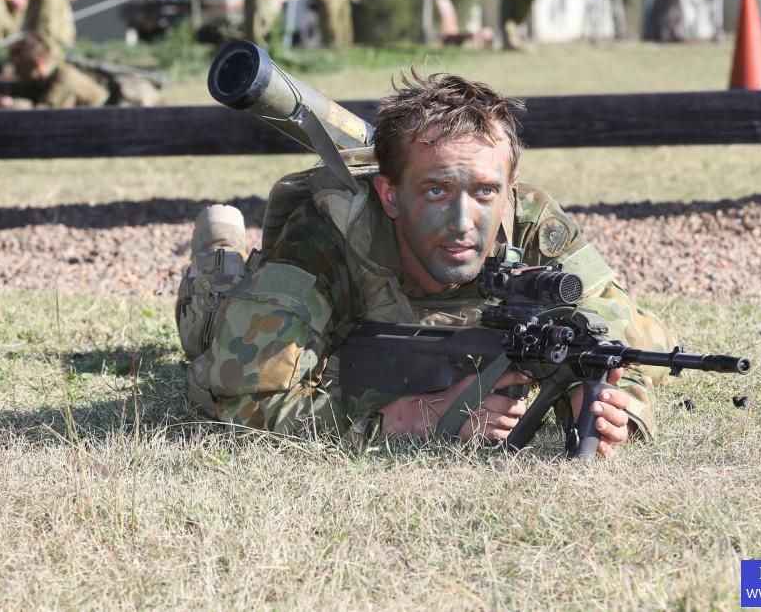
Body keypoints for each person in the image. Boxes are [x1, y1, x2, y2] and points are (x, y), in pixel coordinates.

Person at [177, 71, 674, 457]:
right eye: (436, 191)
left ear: (510, 188)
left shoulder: (530, 221)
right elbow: (246, 403)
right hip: (307, 308)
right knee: (212, 320)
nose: (462, 223)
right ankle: (220, 248)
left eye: (485, 192)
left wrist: (599, 396)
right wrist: (415, 417)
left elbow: (619, 320)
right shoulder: (324, 239)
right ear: (389, 195)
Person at [0, 31, 108, 109]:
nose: (17, 72)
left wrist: (10, 104)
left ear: (37, 64)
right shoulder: (47, 79)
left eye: (20, 66)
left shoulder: (63, 79)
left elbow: (44, 115)